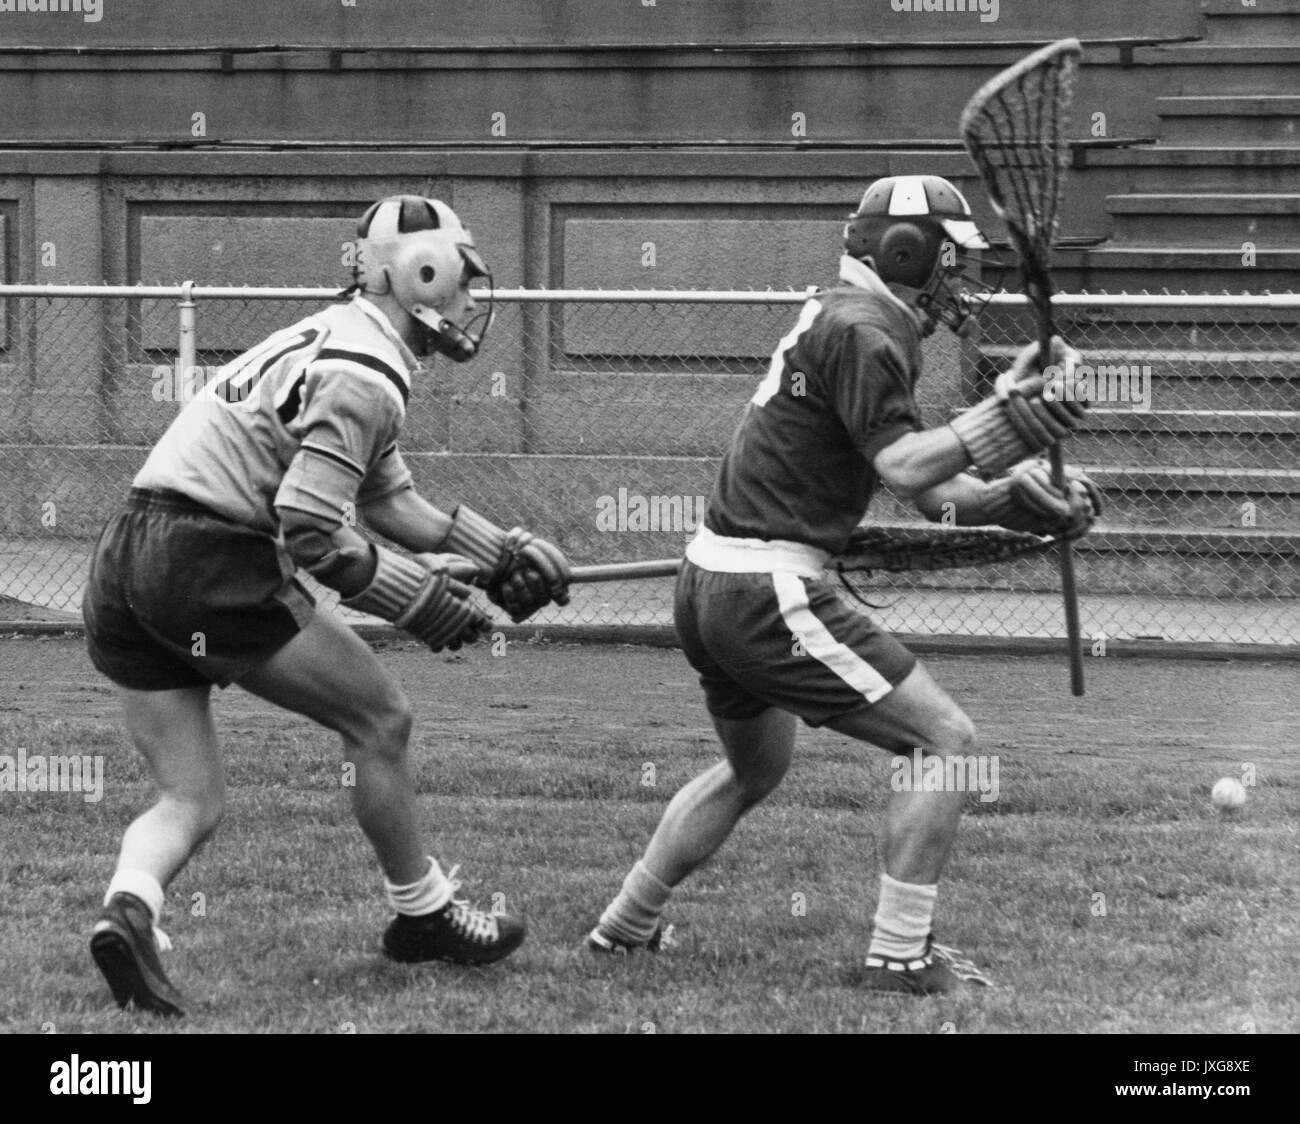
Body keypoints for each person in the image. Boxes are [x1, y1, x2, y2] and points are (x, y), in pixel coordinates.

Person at [586, 175, 1100, 994]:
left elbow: (930, 491)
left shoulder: (853, 315)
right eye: (951, 262)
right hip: (768, 592)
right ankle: (900, 954)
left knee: (754, 771)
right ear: (908, 253)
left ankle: (624, 927)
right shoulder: (867, 329)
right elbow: (905, 464)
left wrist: (1014, 499)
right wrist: (1011, 417)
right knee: (946, 744)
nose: (960, 282)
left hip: (711, 579)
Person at [83, 195, 571, 1016]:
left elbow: (386, 501)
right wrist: (416, 600)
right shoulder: (367, 372)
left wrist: (499, 554)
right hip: (206, 557)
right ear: (421, 272)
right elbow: (311, 529)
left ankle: (128, 910)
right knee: (380, 721)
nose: (470, 299)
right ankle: (423, 917)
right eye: (460, 277)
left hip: (129, 554)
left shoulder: (343, 340)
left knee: (190, 797)